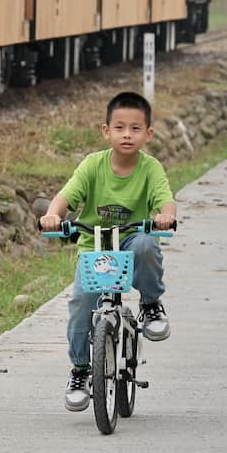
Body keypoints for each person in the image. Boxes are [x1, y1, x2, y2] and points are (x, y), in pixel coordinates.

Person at [40, 91, 179, 412]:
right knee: (80, 304)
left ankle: (151, 303)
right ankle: (80, 370)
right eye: (119, 128)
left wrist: (165, 214)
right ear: (106, 131)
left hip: (131, 241)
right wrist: (53, 214)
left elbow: (164, 198)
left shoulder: (150, 168)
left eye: (134, 128)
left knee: (146, 244)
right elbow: (66, 196)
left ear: (148, 134)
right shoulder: (93, 165)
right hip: (95, 245)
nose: (126, 134)